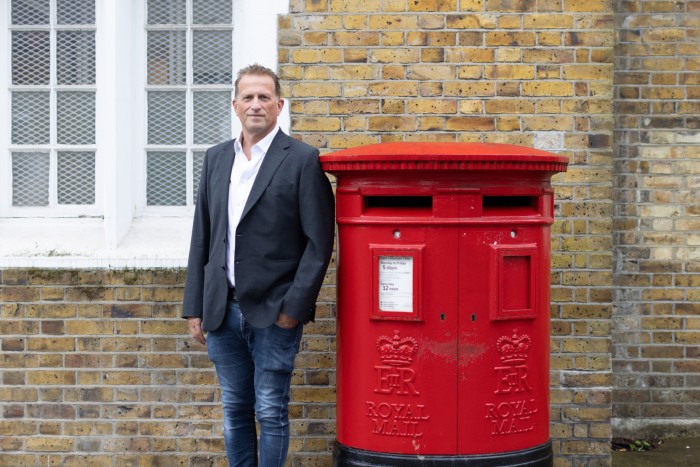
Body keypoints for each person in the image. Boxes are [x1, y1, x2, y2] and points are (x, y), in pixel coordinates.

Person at [182, 64, 335, 467]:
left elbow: (319, 244)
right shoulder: (216, 159)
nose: (255, 105)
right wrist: (195, 306)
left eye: (264, 97)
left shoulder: (302, 160)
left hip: (274, 312)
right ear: (235, 106)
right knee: (234, 409)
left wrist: (293, 310)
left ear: (279, 105)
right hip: (222, 310)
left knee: (270, 411)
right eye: (247, 97)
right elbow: (204, 234)